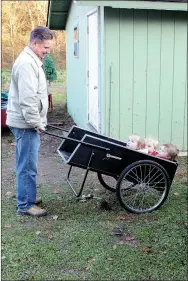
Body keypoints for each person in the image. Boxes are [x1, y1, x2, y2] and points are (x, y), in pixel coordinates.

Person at [6, 26, 54, 217]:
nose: (48, 51)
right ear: (34, 43)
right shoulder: (27, 63)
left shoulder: (33, 60)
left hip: (25, 122)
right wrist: (37, 123)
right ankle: (25, 204)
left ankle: (27, 195)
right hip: (26, 124)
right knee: (27, 165)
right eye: (45, 47)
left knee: (25, 162)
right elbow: (27, 99)